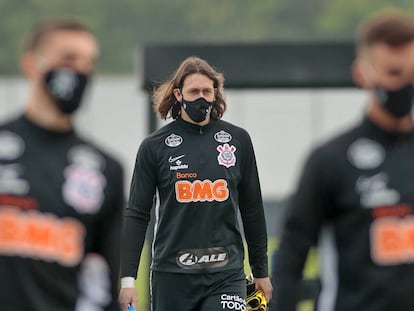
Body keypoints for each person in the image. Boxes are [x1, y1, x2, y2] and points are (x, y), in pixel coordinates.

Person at [271, 10, 414, 311]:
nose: (405, 85)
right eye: (393, 74)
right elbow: (292, 254)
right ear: (363, 74)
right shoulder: (331, 160)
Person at [119, 56, 273, 311]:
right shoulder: (154, 147)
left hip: (226, 273)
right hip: (172, 275)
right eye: (194, 91)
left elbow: (253, 209)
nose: (201, 98)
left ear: (215, 94)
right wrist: (128, 280)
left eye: (206, 91)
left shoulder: (237, 140)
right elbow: (136, 215)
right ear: (179, 94)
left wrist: (261, 271)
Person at [0, 18, 125, 310]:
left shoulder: (105, 169)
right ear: (31, 65)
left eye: (88, 63)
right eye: (68, 59)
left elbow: (101, 285)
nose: (79, 70)